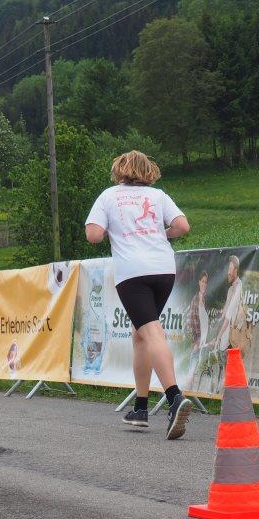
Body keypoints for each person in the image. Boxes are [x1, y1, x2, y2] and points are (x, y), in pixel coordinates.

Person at [85, 150, 192, 439]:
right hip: (164, 270)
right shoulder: (158, 195)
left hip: (133, 272)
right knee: (140, 334)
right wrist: (158, 234)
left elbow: (93, 235)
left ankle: (174, 397)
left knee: (151, 332)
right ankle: (141, 408)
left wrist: (112, 232)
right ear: (148, 171)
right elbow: (182, 226)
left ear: (119, 171)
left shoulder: (108, 196)